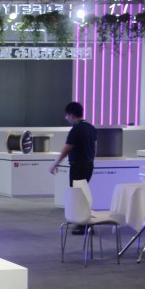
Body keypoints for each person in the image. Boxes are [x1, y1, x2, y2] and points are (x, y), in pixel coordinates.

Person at [50, 101, 98, 235]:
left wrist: (55, 164)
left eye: (67, 115)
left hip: (78, 166)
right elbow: (95, 148)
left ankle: (84, 225)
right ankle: (84, 222)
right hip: (89, 165)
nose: (67, 118)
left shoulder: (76, 129)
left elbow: (67, 149)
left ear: (71, 115)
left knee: (78, 194)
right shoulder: (91, 127)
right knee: (83, 192)